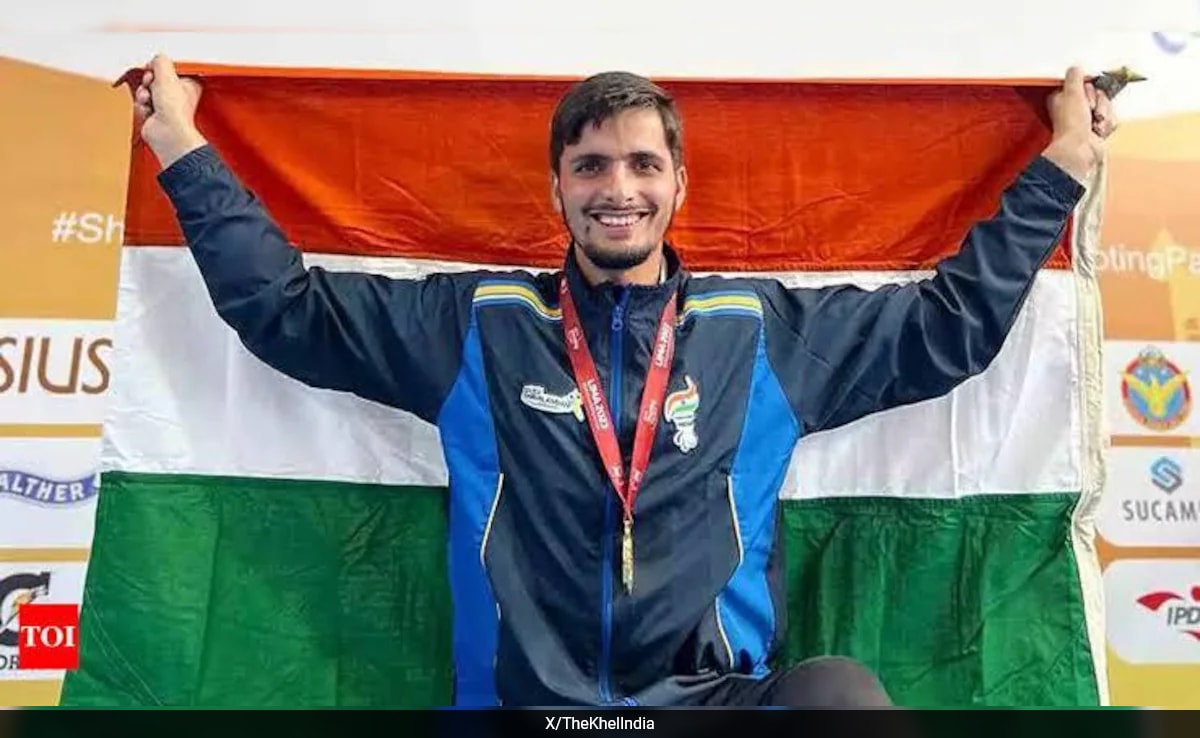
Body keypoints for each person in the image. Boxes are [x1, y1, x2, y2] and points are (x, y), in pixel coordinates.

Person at [130, 54, 1116, 708]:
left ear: (678, 184)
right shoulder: (479, 324)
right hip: (529, 708)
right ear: (557, 186)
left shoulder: (757, 331)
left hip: (710, 702)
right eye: (592, 165)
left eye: (643, 164)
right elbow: (287, 311)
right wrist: (181, 147)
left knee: (837, 696)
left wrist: (1063, 167)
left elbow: (948, 328)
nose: (619, 188)